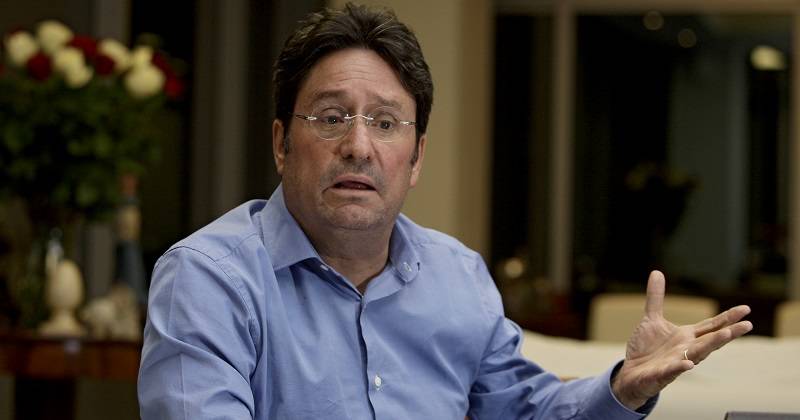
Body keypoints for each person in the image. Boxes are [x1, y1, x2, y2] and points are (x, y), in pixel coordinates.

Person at [138, 3, 753, 419]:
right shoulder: (209, 278)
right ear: (280, 143)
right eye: (330, 117)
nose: (358, 145)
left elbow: (525, 410)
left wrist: (622, 386)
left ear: (417, 158)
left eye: (386, 122)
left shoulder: (456, 276)